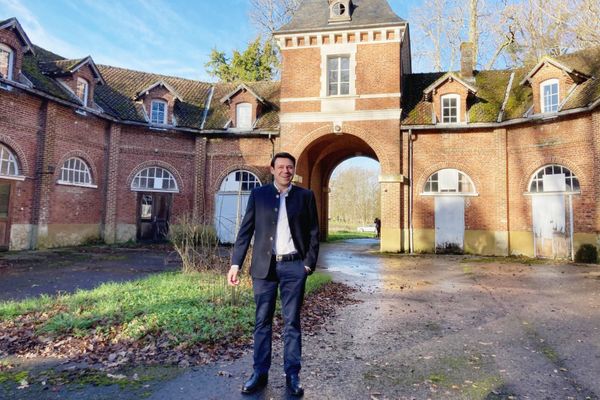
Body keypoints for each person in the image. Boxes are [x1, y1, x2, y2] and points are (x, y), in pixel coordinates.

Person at [227, 152, 320, 397]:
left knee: (292, 322)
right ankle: (259, 372)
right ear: (272, 169)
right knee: (262, 322)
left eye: (290, 167)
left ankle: (292, 374)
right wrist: (235, 263)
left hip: (293, 267)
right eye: (281, 167)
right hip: (263, 268)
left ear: (294, 170)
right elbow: (245, 231)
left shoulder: (306, 196)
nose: (285, 171)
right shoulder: (259, 195)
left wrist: (308, 264)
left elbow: (313, 233)